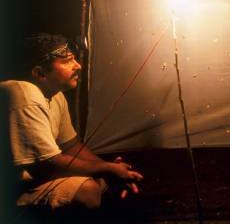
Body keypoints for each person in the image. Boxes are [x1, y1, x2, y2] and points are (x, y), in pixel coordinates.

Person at [0, 33, 143, 210]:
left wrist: (109, 168)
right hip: (9, 188)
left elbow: (71, 145)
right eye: (67, 61)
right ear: (40, 73)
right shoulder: (23, 95)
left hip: (33, 177)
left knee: (102, 179)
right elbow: (46, 165)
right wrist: (106, 169)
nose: (78, 66)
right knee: (88, 191)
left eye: (74, 59)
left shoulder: (56, 95)